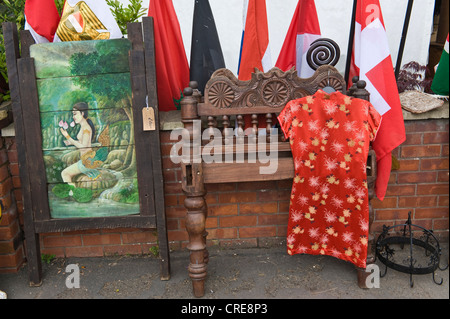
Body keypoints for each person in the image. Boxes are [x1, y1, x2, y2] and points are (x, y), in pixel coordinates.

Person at [59, 102, 100, 186]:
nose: (73, 117)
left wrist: (68, 137)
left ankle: (74, 193)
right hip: (85, 159)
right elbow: (84, 143)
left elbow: (84, 147)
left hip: (87, 161)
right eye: (73, 114)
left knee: (64, 173)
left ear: (82, 113)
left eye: (75, 114)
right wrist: (71, 142)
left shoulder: (86, 128)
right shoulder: (84, 126)